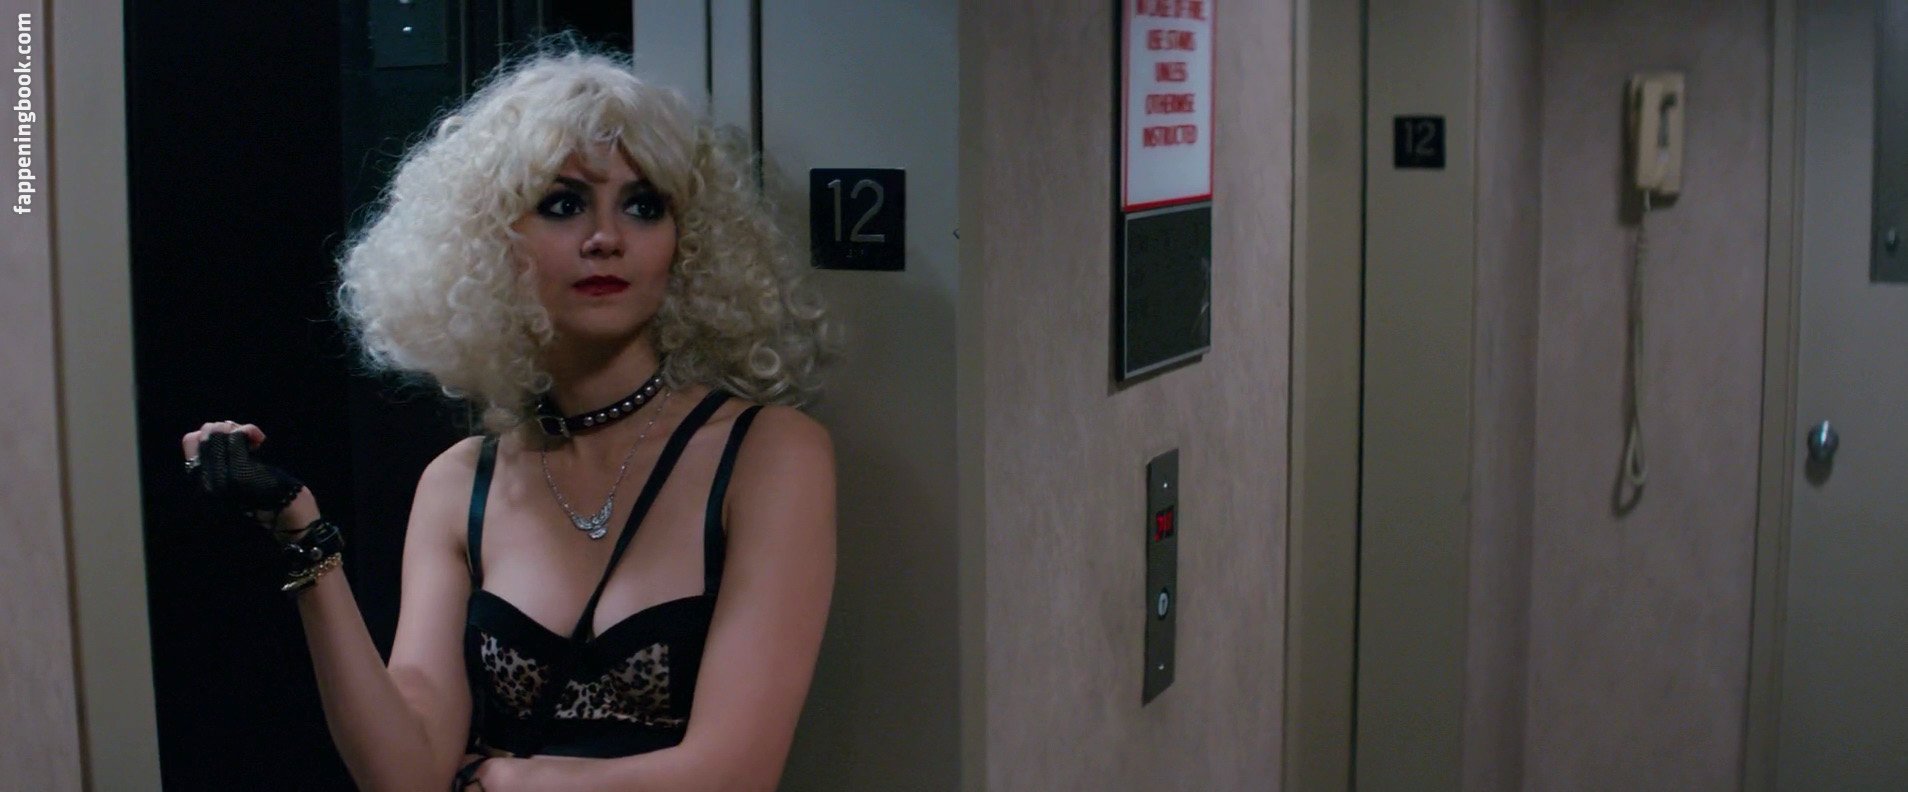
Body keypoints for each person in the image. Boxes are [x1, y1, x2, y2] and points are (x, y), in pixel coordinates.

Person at [180, 43, 837, 791]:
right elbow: (404, 774)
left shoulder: (769, 453)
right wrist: (302, 535)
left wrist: (514, 782)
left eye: (643, 205)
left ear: (685, 241)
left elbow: (736, 772)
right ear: (494, 242)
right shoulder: (461, 482)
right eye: (563, 204)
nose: (606, 237)